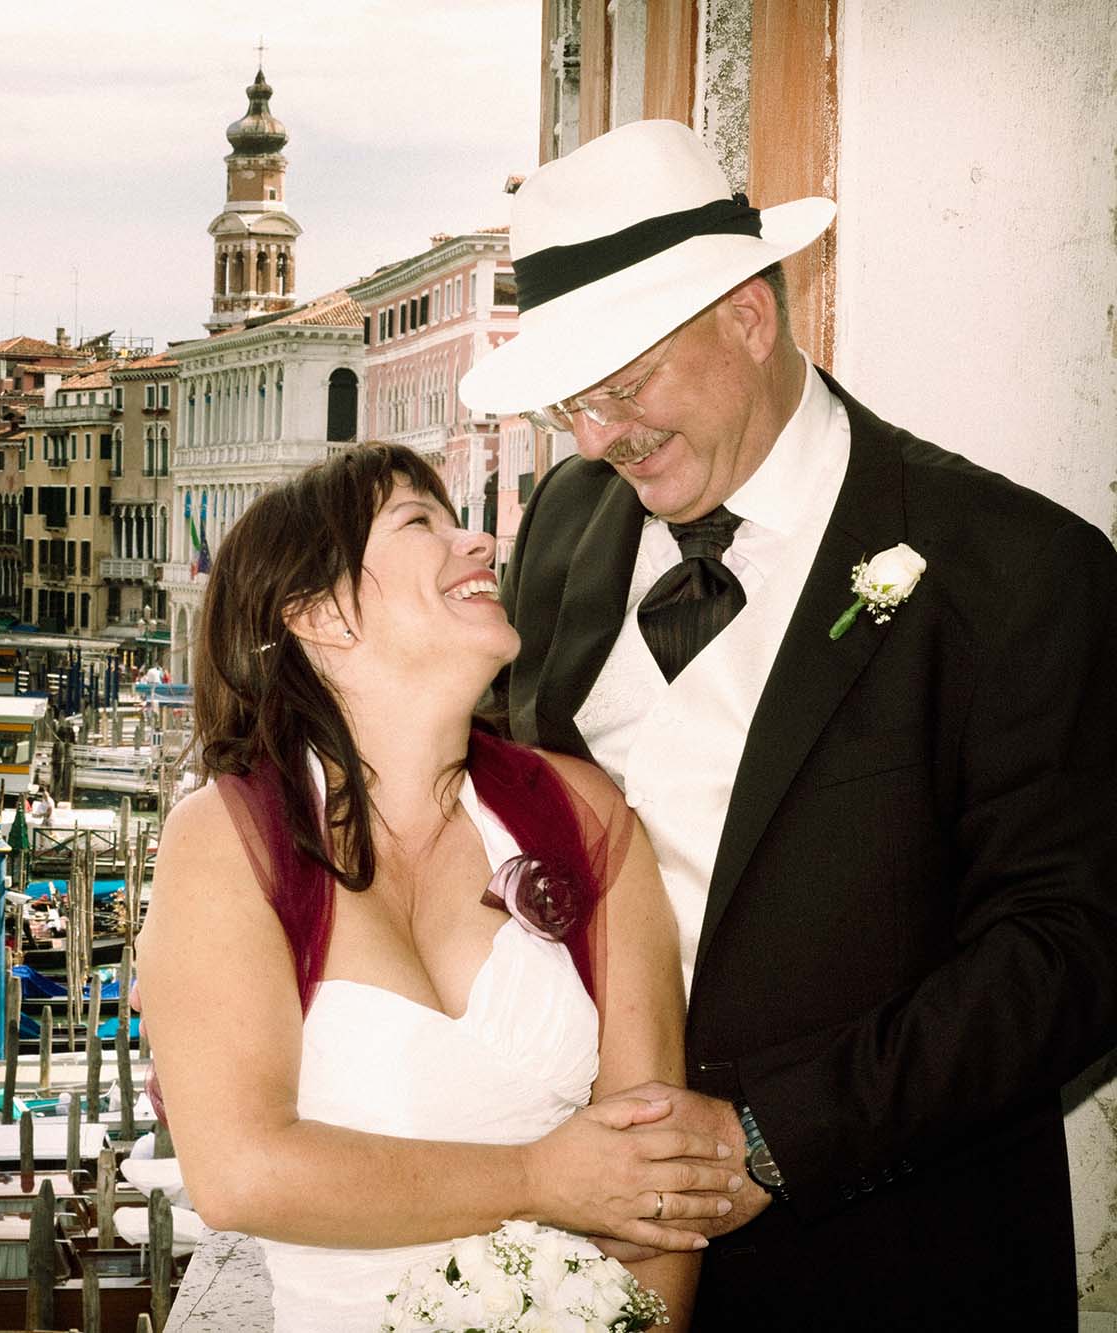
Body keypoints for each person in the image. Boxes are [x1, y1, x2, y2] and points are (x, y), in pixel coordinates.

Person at [463, 119, 1117, 1328]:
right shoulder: (561, 519)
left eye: (623, 385)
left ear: (749, 317)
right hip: (569, 1259)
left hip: (890, 1263)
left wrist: (768, 1142)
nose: (599, 435)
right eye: (572, 403)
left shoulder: (1017, 569)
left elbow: (1069, 950)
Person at [137, 444, 733, 1333]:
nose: (484, 543)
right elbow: (240, 1172)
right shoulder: (226, 841)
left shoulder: (582, 810)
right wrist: (540, 1178)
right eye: (421, 522)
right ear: (322, 613)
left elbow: (656, 1177)